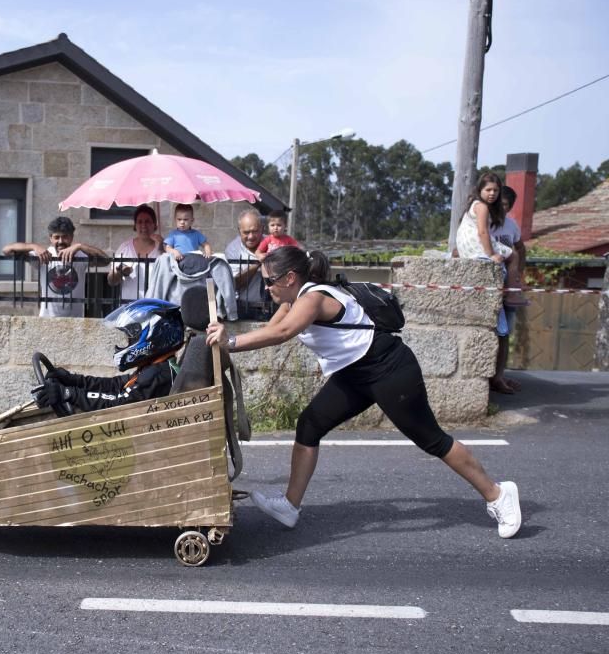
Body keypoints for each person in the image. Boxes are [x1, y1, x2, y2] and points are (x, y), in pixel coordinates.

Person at [204, 246, 523, 539]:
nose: (266, 288)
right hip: (355, 374)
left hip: (389, 369)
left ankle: (498, 494)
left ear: (289, 277)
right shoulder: (292, 300)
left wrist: (229, 342)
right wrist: (227, 337)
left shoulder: (313, 298)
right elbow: (271, 329)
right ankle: (290, 505)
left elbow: (283, 333)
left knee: (432, 440)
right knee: (309, 425)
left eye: (269, 281)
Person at [33, 298, 184, 413]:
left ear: (152, 335)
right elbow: (116, 385)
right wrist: (73, 380)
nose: (128, 342)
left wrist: (67, 393)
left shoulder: (157, 376)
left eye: (131, 337)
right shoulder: (155, 367)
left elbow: (116, 404)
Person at [2, 216, 109, 318]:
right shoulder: (44, 255)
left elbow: (106, 261)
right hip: (48, 319)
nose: (61, 241)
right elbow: (6, 251)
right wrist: (33, 246)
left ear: (71, 237)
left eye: (65, 236)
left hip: (76, 320)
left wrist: (80, 246)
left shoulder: (80, 255)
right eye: (57, 237)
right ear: (51, 238)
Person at [456, 172, 527, 306]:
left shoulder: (474, 204)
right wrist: (491, 255)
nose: (492, 193)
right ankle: (513, 295)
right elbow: (483, 232)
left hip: (467, 247)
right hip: (475, 245)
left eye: (495, 190)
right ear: (480, 190)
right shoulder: (482, 207)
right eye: (488, 190)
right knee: (514, 256)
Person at [489, 185, 527, 394]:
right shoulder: (484, 223)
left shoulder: (511, 226)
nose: (501, 208)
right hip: (489, 286)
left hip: (508, 288)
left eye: (505, 205)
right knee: (490, 332)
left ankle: (499, 377)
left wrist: (518, 273)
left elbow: (520, 248)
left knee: (505, 333)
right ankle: (486, 375)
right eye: (498, 204)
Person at [107, 204, 163, 301]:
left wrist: (162, 247)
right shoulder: (125, 248)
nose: (143, 225)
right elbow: (111, 281)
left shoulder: (163, 248)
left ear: (154, 225)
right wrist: (119, 272)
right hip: (129, 307)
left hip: (155, 308)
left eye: (148, 221)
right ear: (135, 225)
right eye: (139, 222)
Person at [224, 208, 271, 321]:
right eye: (246, 232)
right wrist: (257, 264)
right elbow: (235, 284)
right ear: (239, 230)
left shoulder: (272, 243)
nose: (250, 236)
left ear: (262, 229)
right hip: (242, 307)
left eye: (255, 231)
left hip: (271, 307)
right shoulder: (233, 249)